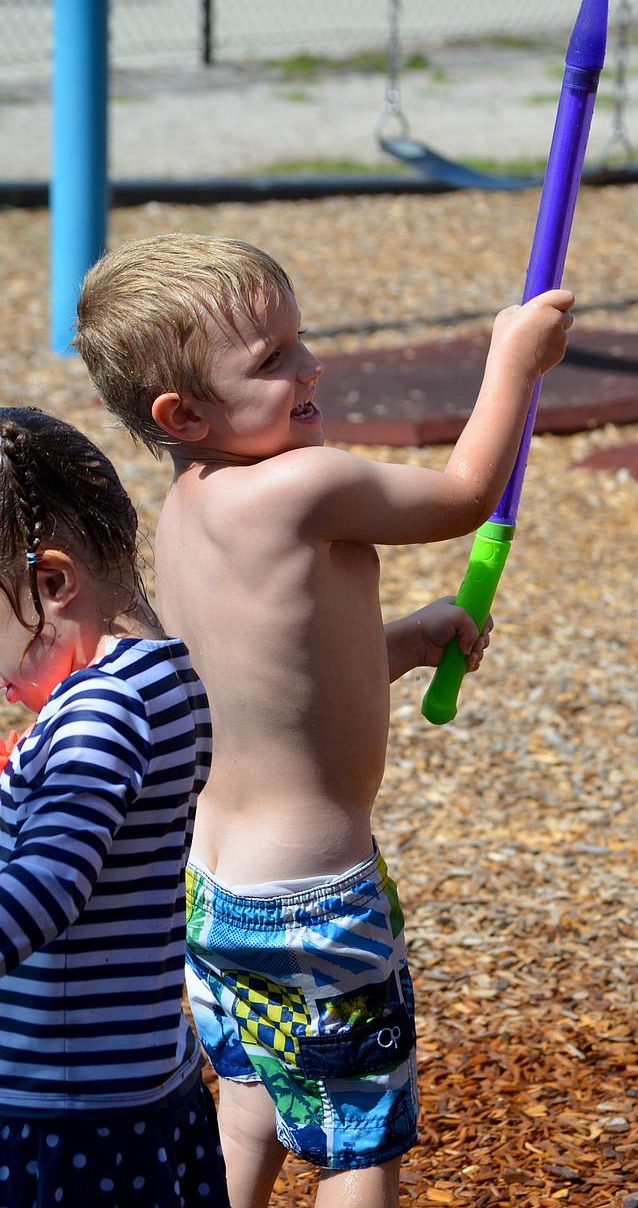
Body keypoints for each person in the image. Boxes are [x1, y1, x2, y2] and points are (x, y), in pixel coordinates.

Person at [73, 232, 573, 1208]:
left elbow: (275, 689)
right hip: (313, 899)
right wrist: (513, 361)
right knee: (357, 1143)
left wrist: (401, 638)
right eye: (272, 360)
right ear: (185, 410)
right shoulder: (307, 484)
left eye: (301, 340)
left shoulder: (184, 513)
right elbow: (468, 492)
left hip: (213, 894)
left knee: (253, 1090)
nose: (312, 365)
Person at [0, 406, 230, 1208]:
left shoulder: (98, 712)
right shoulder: (163, 678)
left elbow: (49, 885)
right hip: (140, 1085)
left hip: (65, 1114)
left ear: (53, 583)